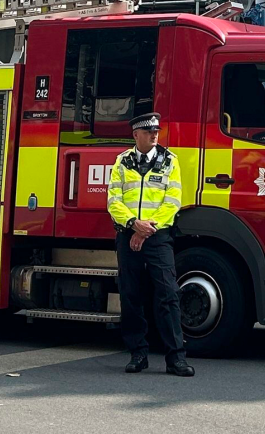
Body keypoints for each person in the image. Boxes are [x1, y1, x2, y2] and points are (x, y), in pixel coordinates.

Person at [107, 112, 194, 377]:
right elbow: (113, 201)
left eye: (156, 131)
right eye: (148, 132)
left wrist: (145, 230)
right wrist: (134, 223)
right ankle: (138, 354)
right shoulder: (122, 161)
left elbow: (173, 201)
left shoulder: (170, 161)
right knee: (131, 295)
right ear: (136, 135)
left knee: (169, 295)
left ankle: (176, 359)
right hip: (128, 233)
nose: (154, 135)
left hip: (157, 237)